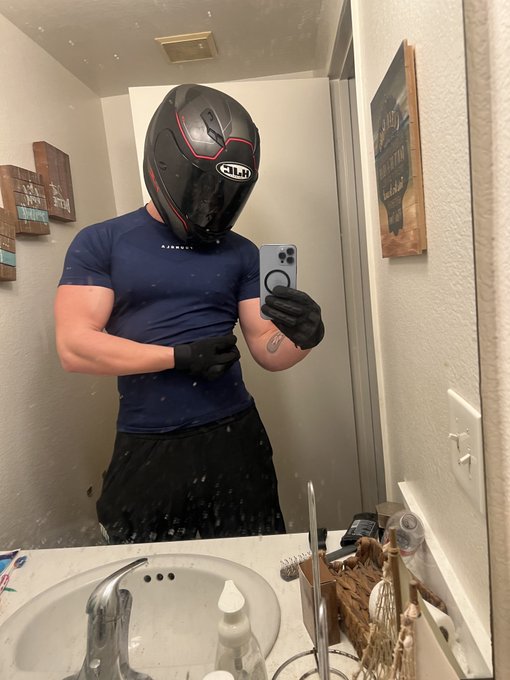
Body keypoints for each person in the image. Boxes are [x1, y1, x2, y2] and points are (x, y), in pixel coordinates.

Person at [54, 83, 324, 544]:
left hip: (235, 436)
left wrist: (303, 337)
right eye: (203, 188)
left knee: (254, 561)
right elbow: (74, 347)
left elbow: (267, 348)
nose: (211, 204)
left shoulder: (243, 253)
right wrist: (177, 358)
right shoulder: (103, 242)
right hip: (148, 442)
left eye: (224, 192)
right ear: (167, 166)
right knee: (148, 575)